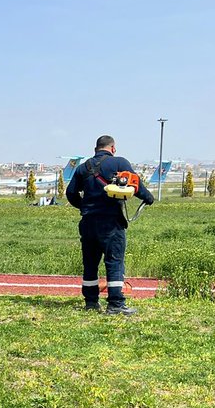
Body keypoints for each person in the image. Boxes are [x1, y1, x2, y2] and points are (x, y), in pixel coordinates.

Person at [65, 135, 155, 315]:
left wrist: (85, 207)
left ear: (95, 149)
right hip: (111, 223)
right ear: (113, 148)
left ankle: (91, 302)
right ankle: (115, 304)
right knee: (114, 262)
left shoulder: (84, 167)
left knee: (90, 263)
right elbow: (136, 185)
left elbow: (71, 193)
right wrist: (149, 198)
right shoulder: (119, 163)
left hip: (88, 222)